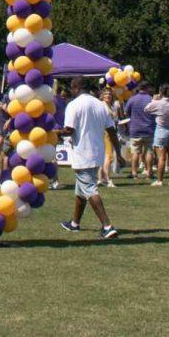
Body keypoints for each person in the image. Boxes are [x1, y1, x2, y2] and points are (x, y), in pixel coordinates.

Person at [59, 76, 121, 239]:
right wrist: (118, 152)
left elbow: (69, 130)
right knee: (81, 190)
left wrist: (53, 132)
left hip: (82, 153)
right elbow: (112, 130)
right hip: (97, 153)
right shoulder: (100, 105)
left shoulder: (74, 105)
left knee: (90, 189)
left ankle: (107, 226)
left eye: (71, 88)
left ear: (75, 87)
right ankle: (74, 223)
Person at [145, 85, 169, 186]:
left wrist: (154, 100)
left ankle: (160, 180)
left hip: (161, 131)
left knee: (161, 158)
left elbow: (146, 109)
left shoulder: (158, 103)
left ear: (161, 92)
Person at [123, 81, 155, 182]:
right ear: (147, 88)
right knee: (149, 152)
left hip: (135, 129)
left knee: (135, 152)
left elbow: (125, 112)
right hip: (149, 129)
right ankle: (149, 172)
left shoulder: (132, 99)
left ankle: (134, 172)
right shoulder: (151, 99)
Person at [98, 88, 119, 187]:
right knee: (109, 156)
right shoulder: (103, 105)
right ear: (102, 95)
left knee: (103, 157)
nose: (108, 95)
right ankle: (106, 179)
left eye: (110, 94)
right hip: (106, 132)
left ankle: (100, 178)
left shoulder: (110, 106)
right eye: (106, 94)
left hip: (105, 132)